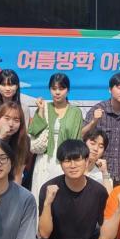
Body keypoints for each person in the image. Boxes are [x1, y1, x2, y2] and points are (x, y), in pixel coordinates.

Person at [29, 74, 83, 206]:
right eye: (54, 88)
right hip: (44, 159)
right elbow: (34, 131)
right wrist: (40, 110)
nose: (57, 92)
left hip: (65, 160)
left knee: (62, 199)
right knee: (41, 197)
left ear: (68, 90)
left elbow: (76, 140)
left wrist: (72, 162)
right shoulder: (45, 107)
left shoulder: (75, 112)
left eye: (61, 88)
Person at [82, 73, 120, 181]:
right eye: (119, 87)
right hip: (97, 173)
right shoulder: (97, 110)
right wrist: (94, 121)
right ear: (110, 89)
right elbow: (82, 136)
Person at [83, 129, 113, 193]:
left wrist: (105, 172)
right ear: (84, 144)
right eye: (92, 143)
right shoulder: (71, 166)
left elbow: (109, 196)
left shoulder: (103, 176)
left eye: (101, 146)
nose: (96, 149)